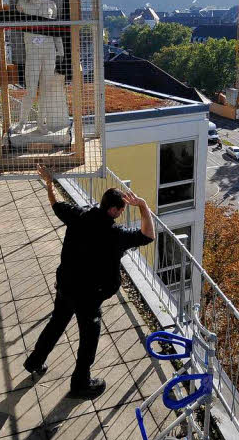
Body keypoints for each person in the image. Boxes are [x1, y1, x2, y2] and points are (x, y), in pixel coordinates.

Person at [24, 164, 155, 399]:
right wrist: (143, 206)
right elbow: (148, 235)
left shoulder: (79, 215)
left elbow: (55, 205)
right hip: (89, 297)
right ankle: (80, 383)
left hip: (66, 285)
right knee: (88, 340)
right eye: (122, 210)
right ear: (114, 210)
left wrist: (49, 182)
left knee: (56, 324)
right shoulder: (116, 236)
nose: (122, 214)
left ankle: (35, 362)